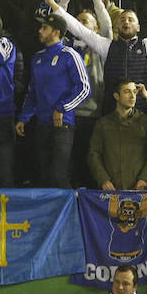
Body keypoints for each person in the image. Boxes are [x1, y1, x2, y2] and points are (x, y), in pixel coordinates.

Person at [15, 14, 90, 188]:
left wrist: (62, 108)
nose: (39, 31)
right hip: (41, 124)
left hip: (62, 125)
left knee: (59, 174)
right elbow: (32, 92)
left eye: (44, 28)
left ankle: (68, 214)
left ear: (56, 32)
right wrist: (24, 117)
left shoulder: (70, 55)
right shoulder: (37, 58)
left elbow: (84, 88)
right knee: (44, 175)